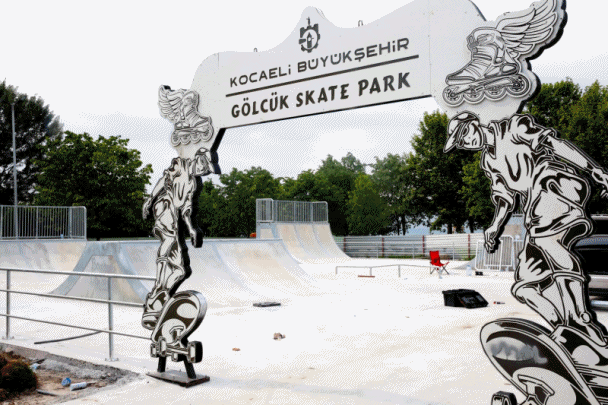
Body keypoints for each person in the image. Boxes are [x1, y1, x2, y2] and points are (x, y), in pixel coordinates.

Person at [445, 112, 608, 348]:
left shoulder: (514, 128)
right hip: (536, 210)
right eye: (461, 142)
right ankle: (566, 329)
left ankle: (581, 321)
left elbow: (555, 144)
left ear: (475, 124)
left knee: (548, 242)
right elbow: (504, 198)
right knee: (525, 286)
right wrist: (495, 226)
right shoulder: (488, 161)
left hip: (556, 187)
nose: (466, 142)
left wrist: (594, 170)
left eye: (465, 134)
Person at [141, 148, 215, 330]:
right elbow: (163, 180)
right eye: (203, 168)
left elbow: (187, 211)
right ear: (198, 161)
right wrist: (150, 199)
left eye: (206, 171)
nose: (203, 172)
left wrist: (192, 230)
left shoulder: (193, 184)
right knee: (168, 240)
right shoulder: (180, 165)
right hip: (164, 207)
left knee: (181, 270)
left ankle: (157, 298)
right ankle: (157, 296)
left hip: (175, 215)